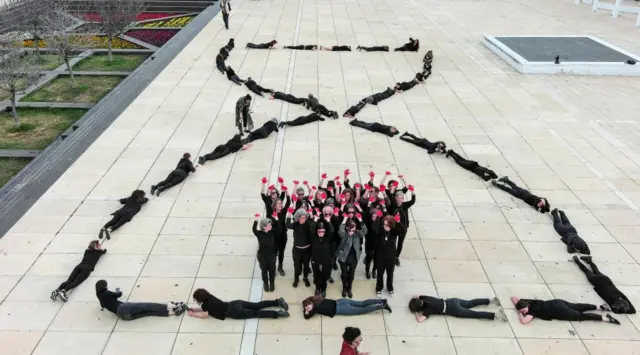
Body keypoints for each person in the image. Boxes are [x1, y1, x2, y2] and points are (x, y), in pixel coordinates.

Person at [95, 280, 187, 320]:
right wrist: (117, 290)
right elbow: (118, 294)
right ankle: (173, 306)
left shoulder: (99, 295)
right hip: (123, 307)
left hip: (123, 316)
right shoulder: (106, 293)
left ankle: (173, 313)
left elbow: (103, 305)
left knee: (149, 313)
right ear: (104, 287)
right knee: (149, 306)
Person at [188, 288, 290, 320]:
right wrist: (194, 309)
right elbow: (205, 309)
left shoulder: (205, 305)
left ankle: (277, 314)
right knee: (257, 305)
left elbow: (205, 314)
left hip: (232, 312)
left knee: (256, 313)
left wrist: (193, 314)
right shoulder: (210, 296)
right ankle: (277, 302)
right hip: (233, 303)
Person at [512, 296, 620, 324]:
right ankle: (600, 307)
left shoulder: (532, 312)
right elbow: (514, 297)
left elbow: (524, 321)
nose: (523, 312)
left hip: (561, 312)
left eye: (523, 310)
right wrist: (518, 305)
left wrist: (519, 314)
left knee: (581, 316)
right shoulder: (529, 301)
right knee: (578, 306)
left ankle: (607, 319)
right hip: (558, 302)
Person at [409, 295, 506, 322]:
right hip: (452, 301)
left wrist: (416, 313)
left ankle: (496, 315)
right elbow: (417, 295)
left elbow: (420, 320)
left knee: (474, 314)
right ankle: (491, 301)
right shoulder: (425, 298)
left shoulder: (427, 310)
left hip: (454, 310)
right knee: (470, 302)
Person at [337, 216, 367, 298]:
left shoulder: (357, 234)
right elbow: (340, 230)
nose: (351, 232)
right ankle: (344, 288)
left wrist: (360, 220)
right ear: (347, 228)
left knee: (351, 274)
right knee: (344, 274)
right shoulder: (344, 234)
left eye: (353, 230)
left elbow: (365, 231)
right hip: (343, 257)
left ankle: (349, 288)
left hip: (354, 258)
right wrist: (344, 219)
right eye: (350, 230)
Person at [374, 215, 405, 296]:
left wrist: (398, 222)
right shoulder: (380, 230)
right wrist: (378, 218)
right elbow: (374, 227)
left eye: (387, 225)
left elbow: (403, 230)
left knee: (390, 273)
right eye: (384, 224)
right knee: (380, 273)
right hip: (380, 256)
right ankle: (379, 288)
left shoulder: (394, 231)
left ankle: (390, 287)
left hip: (391, 256)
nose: (386, 227)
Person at [286, 208, 314, 288]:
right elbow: (287, 225)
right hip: (297, 250)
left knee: (306, 265)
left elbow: (314, 224)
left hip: (307, 249)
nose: (303, 220)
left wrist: (312, 215)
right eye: (301, 218)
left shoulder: (308, 224)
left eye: (305, 218)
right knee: (297, 265)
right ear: (298, 218)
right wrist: (289, 214)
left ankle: (305, 278)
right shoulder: (295, 224)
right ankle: (296, 278)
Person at [303, 295, 391, 319]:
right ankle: (381, 301)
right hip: (340, 301)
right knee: (362, 303)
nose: (308, 309)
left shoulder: (315, 308)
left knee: (362, 310)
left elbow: (307, 317)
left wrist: (306, 312)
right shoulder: (317, 299)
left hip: (340, 309)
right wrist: (307, 308)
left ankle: (382, 306)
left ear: (310, 303)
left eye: (307, 307)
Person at [253, 217, 277, 292]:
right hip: (262, 256)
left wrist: (276, 219)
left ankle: (272, 283)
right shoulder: (259, 234)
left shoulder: (273, 232)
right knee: (264, 270)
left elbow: (279, 227)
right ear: (264, 227)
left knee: (272, 270)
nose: (271, 226)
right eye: (269, 225)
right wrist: (256, 220)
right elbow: (254, 229)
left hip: (272, 255)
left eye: (271, 225)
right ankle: (266, 283)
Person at [310, 220, 334, 296]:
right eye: (319, 231)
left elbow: (331, 231)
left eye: (323, 232)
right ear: (317, 231)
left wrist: (329, 222)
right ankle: (317, 288)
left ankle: (323, 289)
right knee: (316, 275)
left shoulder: (328, 239)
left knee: (324, 276)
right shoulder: (313, 238)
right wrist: (315, 220)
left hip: (326, 260)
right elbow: (311, 230)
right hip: (315, 260)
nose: (321, 233)